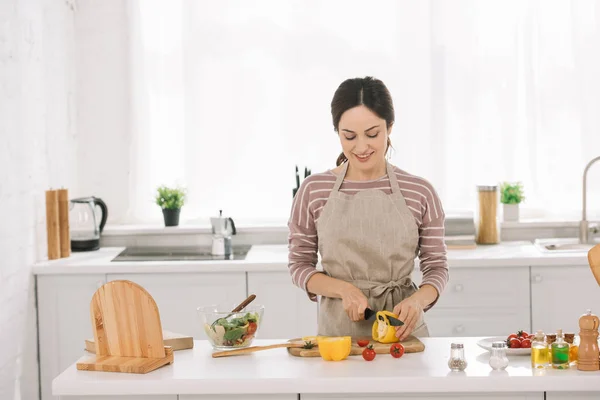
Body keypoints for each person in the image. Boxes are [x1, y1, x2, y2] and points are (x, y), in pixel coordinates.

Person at [287, 76, 449, 340]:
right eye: (349, 136)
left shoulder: (420, 191)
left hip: (402, 333)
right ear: (337, 132)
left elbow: (437, 268)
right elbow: (299, 266)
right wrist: (343, 290)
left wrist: (417, 302)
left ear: (390, 128)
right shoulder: (314, 190)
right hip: (339, 337)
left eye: (373, 134)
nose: (361, 147)